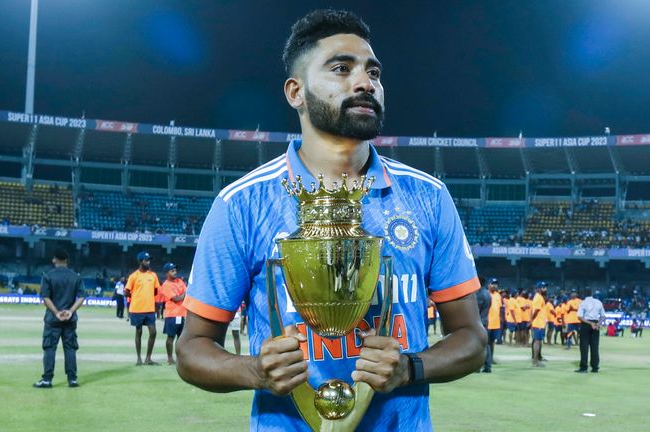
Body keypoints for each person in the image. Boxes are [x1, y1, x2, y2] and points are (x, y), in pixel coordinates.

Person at [175, 10, 486, 431]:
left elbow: (471, 339)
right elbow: (191, 349)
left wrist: (409, 368)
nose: (365, 83)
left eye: (373, 72)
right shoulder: (242, 203)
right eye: (341, 68)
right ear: (295, 92)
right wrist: (254, 371)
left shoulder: (427, 197)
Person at [33, 248, 85, 389]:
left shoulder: (48, 276)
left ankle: (47, 380)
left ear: (54, 259)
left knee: (50, 348)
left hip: (52, 319)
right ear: (67, 261)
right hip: (70, 320)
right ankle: (72, 379)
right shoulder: (76, 277)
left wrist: (56, 312)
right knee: (70, 349)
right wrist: (70, 311)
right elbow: (81, 297)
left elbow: (45, 297)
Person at [125, 251, 161, 366]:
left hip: (149, 309)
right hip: (136, 309)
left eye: (149, 260)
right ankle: (139, 358)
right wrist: (135, 296)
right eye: (146, 260)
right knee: (138, 332)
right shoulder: (133, 276)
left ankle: (148, 358)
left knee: (153, 332)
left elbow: (156, 290)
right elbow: (126, 292)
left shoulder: (153, 275)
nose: (148, 262)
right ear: (141, 262)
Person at [159, 262, 187, 365]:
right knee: (170, 338)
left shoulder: (179, 281)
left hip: (182, 314)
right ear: (167, 273)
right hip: (172, 315)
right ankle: (170, 358)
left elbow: (185, 294)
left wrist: (184, 294)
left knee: (182, 338)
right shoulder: (166, 285)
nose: (175, 272)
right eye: (172, 270)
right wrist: (184, 294)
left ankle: (180, 358)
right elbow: (176, 298)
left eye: (175, 270)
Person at [576, 289, 606, 373]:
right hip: (596, 325)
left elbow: (580, 317)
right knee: (595, 347)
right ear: (592, 294)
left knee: (584, 347)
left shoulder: (583, 303)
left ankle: (584, 367)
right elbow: (603, 316)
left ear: (584, 294)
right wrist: (597, 324)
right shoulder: (598, 302)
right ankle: (595, 367)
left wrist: (590, 323)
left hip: (586, 325)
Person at [484, 278, 502, 372]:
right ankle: (485, 360)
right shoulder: (486, 294)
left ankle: (491, 358)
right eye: (493, 284)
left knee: (492, 342)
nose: (495, 286)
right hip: (488, 322)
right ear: (488, 285)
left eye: (496, 284)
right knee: (485, 343)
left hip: (496, 323)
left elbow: (499, 309)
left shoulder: (498, 295)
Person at [530, 282, 548, 367]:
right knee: (537, 342)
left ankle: (536, 359)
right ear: (539, 289)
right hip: (538, 323)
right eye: (543, 287)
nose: (545, 289)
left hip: (540, 323)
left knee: (538, 342)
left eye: (545, 287)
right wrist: (531, 320)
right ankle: (535, 361)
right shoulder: (539, 298)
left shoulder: (538, 297)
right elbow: (536, 311)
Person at [476, 279, 492, 373]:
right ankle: (488, 365)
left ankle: (477, 367)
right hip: (486, 320)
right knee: (486, 345)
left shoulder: (480, 294)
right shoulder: (487, 294)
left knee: (478, 344)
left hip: (480, 321)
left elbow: (477, 309)